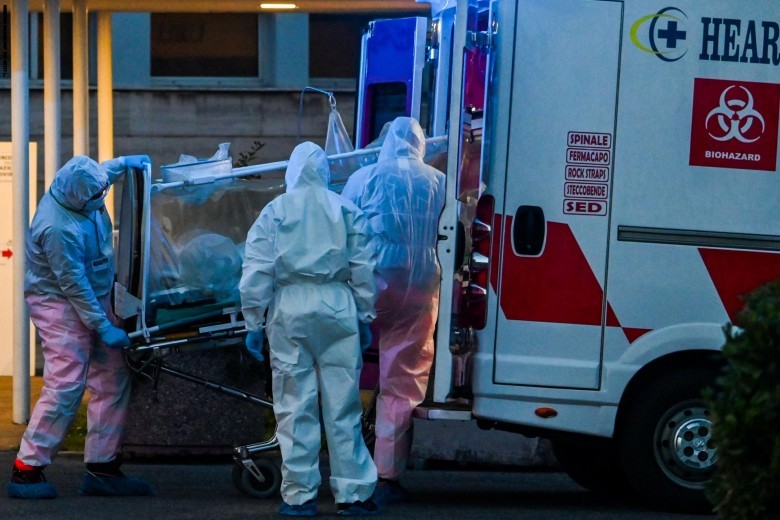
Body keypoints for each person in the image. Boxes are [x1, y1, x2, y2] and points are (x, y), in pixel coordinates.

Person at [240, 142, 379, 517]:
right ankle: (352, 494)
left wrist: (253, 321)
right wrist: (365, 316)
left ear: (292, 171)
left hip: (289, 309)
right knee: (343, 406)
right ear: (326, 172)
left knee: (294, 404)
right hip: (337, 305)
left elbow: (257, 269)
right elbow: (364, 268)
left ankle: (300, 496)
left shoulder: (275, 211)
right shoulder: (345, 209)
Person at [8, 155, 154, 500]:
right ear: (77, 196)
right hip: (57, 302)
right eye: (95, 195)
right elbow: (74, 286)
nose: (101, 198)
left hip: (96, 290)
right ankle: (27, 469)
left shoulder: (82, 185)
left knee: (114, 376)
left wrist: (125, 163)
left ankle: (103, 467)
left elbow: (103, 173)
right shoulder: (57, 227)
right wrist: (103, 327)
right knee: (66, 383)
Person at [342, 117, 446, 505]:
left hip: (371, 285)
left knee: (343, 371)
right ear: (420, 146)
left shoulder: (364, 178)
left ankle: (346, 467)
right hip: (421, 288)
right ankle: (386, 475)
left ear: (386, 143)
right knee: (402, 383)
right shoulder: (438, 182)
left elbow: (343, 229)